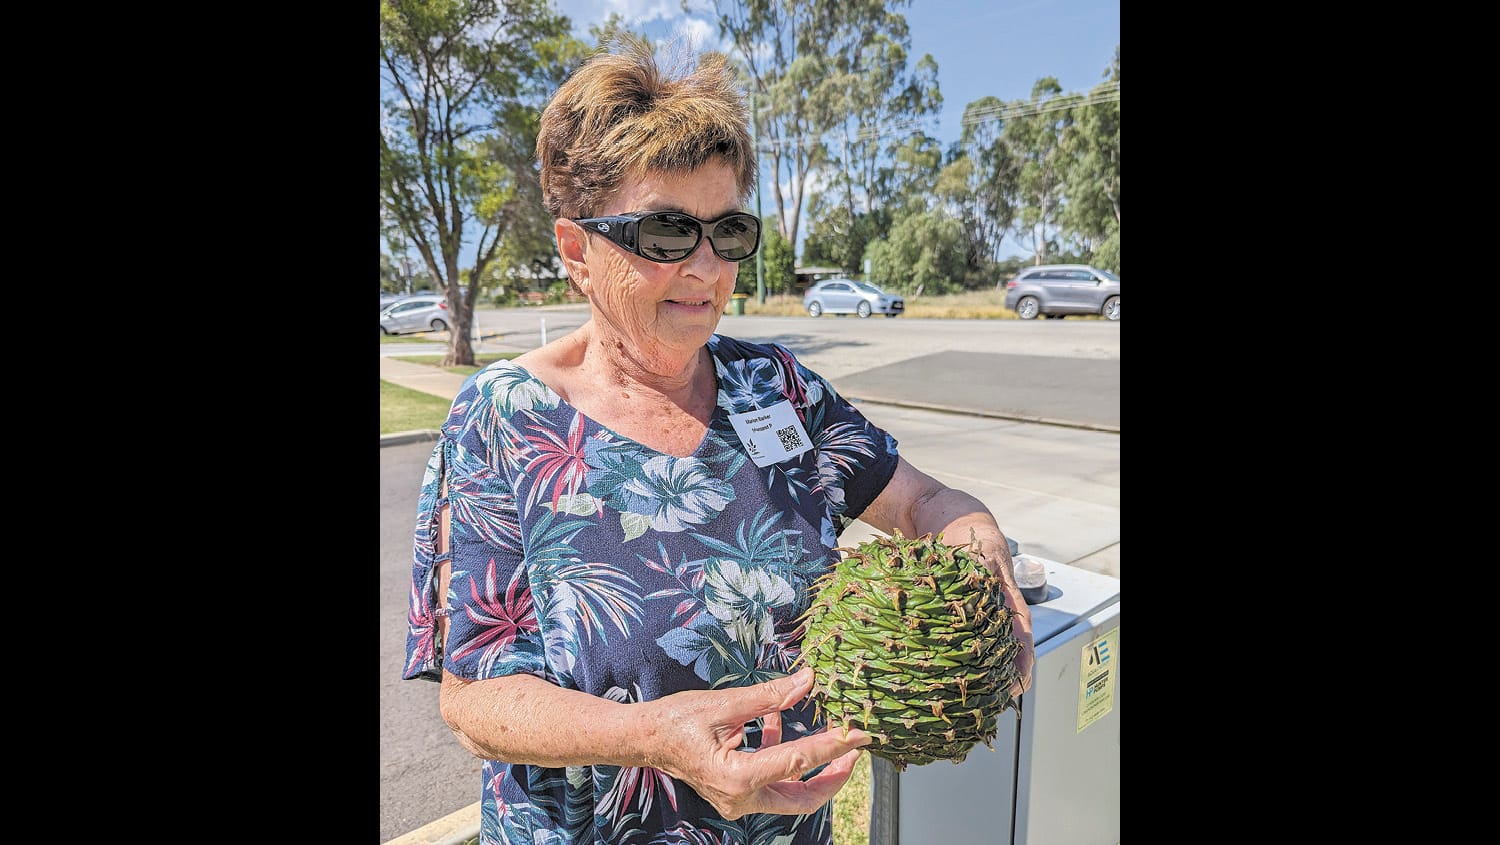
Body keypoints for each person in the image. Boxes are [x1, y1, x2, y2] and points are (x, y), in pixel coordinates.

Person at [402, 35, 1034, 845]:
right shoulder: (503, 418)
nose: (706, 265)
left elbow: (927, 502)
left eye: (728, 231)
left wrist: (983, 553)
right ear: (577, 252)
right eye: (665, 235)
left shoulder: (777, 388)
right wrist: (650, 737)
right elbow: (474, 698)